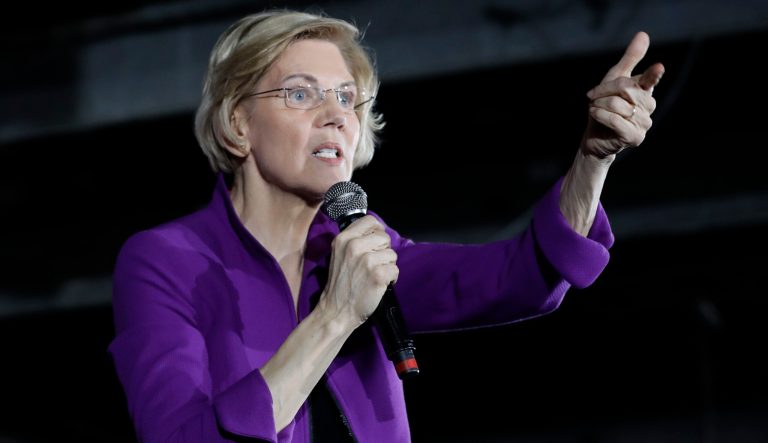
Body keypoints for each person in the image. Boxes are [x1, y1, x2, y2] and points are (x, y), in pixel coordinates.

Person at [108, 8, 664, 443]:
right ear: (237, 124)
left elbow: (517, 277)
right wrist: (335, 316)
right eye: (300, 93)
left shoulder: (363, 246)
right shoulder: (166, 260)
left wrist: (593, 159)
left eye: (347, 98)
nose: (335, 114)